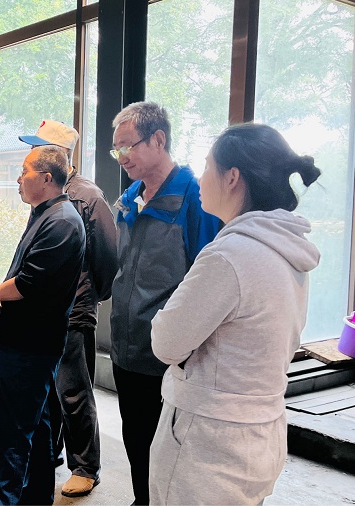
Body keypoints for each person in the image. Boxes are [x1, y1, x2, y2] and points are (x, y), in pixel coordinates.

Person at [149, 123, 321, 504]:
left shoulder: (228, 256)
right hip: (262, 434)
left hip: (209, 445)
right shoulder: (289, 250)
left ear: (232, 178)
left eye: (207, 166)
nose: (200, 178)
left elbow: (166, 342)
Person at [109, 101, 220, 505]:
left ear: (158, 139)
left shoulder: (194, 198)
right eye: (116, 150)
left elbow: (208, 284)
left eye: (128, 146)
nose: (122, 157)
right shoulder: (130, 197)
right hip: (126, 348)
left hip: (169, 357)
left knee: (170, 453)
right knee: (135, 438)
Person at [0, 145, 86, 505]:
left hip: (32, 344)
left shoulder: (62, 221)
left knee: (12, 433)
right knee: (36, 426)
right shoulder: (46, 214)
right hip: (26, 341)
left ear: (47, 178)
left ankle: (0, 500)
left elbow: (28, 283)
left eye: (24, 171)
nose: (18, 178)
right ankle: (36, 496)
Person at [19, 120, 118, 497]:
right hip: (46, 310)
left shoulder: (86, 195)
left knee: (74, 391)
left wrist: (89, 295)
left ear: (58, 155)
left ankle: (86, 467)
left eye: (38, 147)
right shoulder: (48, 194)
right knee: (51, 391)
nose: (31, 154)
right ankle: (52, 454)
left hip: (72, 309)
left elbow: (108, 255)